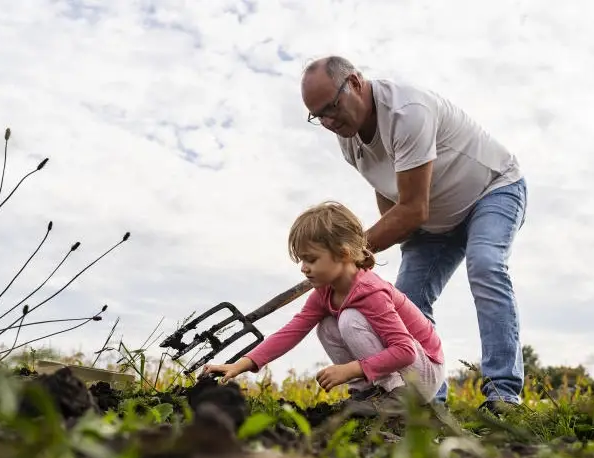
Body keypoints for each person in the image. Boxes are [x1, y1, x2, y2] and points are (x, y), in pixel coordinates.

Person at [299, 55, 528, 414]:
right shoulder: (348, 138)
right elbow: (386, 189)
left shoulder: (407, 112)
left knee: (485, 265)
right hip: (433, 219)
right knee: (406, 299)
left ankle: (504, 393)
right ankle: (424, 400)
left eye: (331, 107)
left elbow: (412, 209)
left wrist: (348, 255)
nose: (328, 121)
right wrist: (361, 257)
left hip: (491, 190)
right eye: (318, 116)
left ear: (356, 84)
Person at [203, 201, 447, 416]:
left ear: (343, 254)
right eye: (301, 260)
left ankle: (396, 395)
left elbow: (406, 351)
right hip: (403, 368)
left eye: (311, 259)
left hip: (423, 375)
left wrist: (352, 369)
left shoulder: (372, 292)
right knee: (327, 326)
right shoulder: (325, 293)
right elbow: (292, 331)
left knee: (349, 319)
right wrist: (242, 364)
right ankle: (366, 393)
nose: (303, 268)